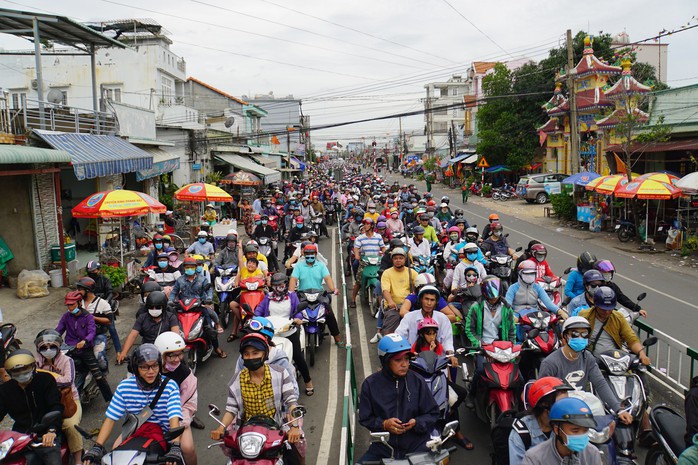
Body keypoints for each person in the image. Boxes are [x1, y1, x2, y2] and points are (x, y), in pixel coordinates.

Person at [210, 334, 302, 465]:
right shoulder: (236, 381)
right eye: (246, 354)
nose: (251, 357)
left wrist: (294, 427)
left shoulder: (281, 374)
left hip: (277, 429)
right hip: (247, 433)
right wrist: (220, 428)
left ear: (265, 354)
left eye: (255, 353)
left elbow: (291, 402)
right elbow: (231, 409)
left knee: (296, 454)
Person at [83, 344, 184, 465]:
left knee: (187, 449)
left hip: (166, 433)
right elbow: (110, 419)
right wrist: (97, 447)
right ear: (136, 369)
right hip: (135, 432)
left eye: (155, 366)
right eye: (144, 367)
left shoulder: (170, 386)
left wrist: (175, 446)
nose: (151, 371)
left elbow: (174, 418)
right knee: (114, 454)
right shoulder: (124, 387)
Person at [357, 334, 439, 463]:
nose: (404, 364)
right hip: (384, 447)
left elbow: (433, 413)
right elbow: (365, 418)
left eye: (406, 359)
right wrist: (384, 424)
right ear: (385, 361)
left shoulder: (417, 381)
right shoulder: (370, 385)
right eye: (398, 360)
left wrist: (416, 423)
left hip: (417, 446)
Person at [538, 316, 633, 425]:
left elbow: (600, 383)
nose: (580, 337)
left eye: (584, 334)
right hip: (559, 409)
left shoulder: (587, 357)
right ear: (564, 336)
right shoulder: (550, 363)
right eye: (574, 334)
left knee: (606, 423)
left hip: (582, 403)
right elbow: (544, 395)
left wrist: (619, 409)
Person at [411, 318, 473, 450]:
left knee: (458, 395)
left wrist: (449, 381)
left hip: (438, 380)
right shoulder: (415, 347)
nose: (432, 336)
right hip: (423, 382)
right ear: (422, 334)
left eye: (434, 333)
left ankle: (455, 428)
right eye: (428, 333)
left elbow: (441, 364)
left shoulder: (438, 346)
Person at [0, 349, 64, 465]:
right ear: (10, 373)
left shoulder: (45, 380)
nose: (21, 373)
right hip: (20, 436)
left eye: (25, 368)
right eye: (16, 370)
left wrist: (51, 430)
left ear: (33, 366)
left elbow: (55, 406)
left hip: (45, 434)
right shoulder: (5, 390)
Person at [255, 274, 314, 395]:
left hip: (288, 331)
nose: (278, 287)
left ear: (285, 285)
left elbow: (298, 311)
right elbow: (259, 310)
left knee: (298, 357)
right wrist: (254, 318)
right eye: (275, 285)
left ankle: (308, 381)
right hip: (270, 333)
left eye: (280, 285)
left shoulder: (292, 296)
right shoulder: (268, 297)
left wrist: (297, 319)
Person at [464, 275, 516, 407]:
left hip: (502, 348)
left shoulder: (507, 309)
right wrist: (479, 344)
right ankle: (472, 395)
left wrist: (512, 348)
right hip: (484, 347)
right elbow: (470, 330)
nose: (494, 298)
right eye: (491, 296)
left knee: (517, 376)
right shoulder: (476, 308)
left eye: (496, 295)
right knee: (481, 370)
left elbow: (511, 331)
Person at [34, 329, 83, 465]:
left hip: (68, 401)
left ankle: (78, 460)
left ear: (58, 347)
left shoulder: (67, 361)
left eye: (52, 346)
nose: (48, 349)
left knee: (71, 426)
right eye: (44, 347)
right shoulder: (35, 362)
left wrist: (47, 379)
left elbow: (68, 380)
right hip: (45, 402)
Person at [55, 291, 113, 402]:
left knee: (98, 375)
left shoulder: (88, 317)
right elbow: (59, 329)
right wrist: (51, 338)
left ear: (79, 303)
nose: (70, 307)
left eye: (72, 304)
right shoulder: (66, 316)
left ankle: (110, 399)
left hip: (85, 350)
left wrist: (84, 341)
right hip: (69, 349)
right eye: (68, 305)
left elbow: (91, 332)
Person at [154, 332, 199, 465]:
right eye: (171, 355)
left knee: (188, 449)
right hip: (149, 418)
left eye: (179, 354)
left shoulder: (185, 374)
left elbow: (189, 404)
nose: (177, 359)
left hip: (177, 418)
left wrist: (179, 424)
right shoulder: (148, 371)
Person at [508, 377, 574, 465]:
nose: (566, 409)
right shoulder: (521, 433)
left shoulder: (567, 428)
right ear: (545, 404)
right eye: (561, 404)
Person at [170, 257, 226, 358]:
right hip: (184, 307)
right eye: (187, 267)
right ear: (184, 268)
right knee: (172, 323)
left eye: (192, 267)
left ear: (195, 267)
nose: (189, 269)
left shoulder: (202, 279)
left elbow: (209, 290)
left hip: (200, 305)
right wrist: (170, 301)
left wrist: (208, 299)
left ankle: (217, 345)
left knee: (209, 324)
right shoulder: (180, 280)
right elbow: (174, 292)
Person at [289, 244, 344, 347]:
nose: (310, 256)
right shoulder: (299, 266)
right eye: (307, 254)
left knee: (329, 313)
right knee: (294, 312)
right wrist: (291, 293)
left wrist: (333, 289)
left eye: (312, 254)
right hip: (303, 294)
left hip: (319, 294)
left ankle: (337, 337)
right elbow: (293, 279)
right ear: (304, 255)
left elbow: (327, 278)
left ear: (315, 254)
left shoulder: (321, 265)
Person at [521, 397, 602, 465]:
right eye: (575, 431)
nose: (581, 435)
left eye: (585, 430)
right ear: (557, 430)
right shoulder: (534, 458)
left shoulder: (592, 453)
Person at [117, 291, 182, 365]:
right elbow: (132, 335)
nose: (154, 310)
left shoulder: (170, 317)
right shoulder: (142, 317)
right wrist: (124, 353)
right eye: (151, 307)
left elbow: (176, 335)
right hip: (147, 352)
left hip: (166, 352)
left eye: (157, 307)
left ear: (163, 307)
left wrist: (174, 353)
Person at [396, 285, 455, 357]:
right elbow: (400, 337)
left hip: (438, 362)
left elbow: (447, 341)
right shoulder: (409, 317)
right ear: (421, 300)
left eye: (432, 300)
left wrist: (450, 355)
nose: (429, 303)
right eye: (426, 299)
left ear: (436, 302)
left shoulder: (443, 319)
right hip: (413, 361)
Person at [76, 276, 118, 370]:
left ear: (87, 290)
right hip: (80, 336)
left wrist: (92, 317)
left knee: (99, 356)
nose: (78, 291)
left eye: (80, 289)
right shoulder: (77, 302)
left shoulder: (102, 304)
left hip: (97, 335)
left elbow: (109, 320)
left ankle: (103, 374)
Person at [350, 218, 386, 308]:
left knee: (382, 280)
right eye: (364, 224)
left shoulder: (378, 236)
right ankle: (353, 299)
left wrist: (386, 253)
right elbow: (356, 248)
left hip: (377, 262)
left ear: (372, 226)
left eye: (367, 224)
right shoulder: (360, 238)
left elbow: (383, 247)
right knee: (358, 281)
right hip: (365, 262)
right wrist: (357, 255)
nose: (365, 226)